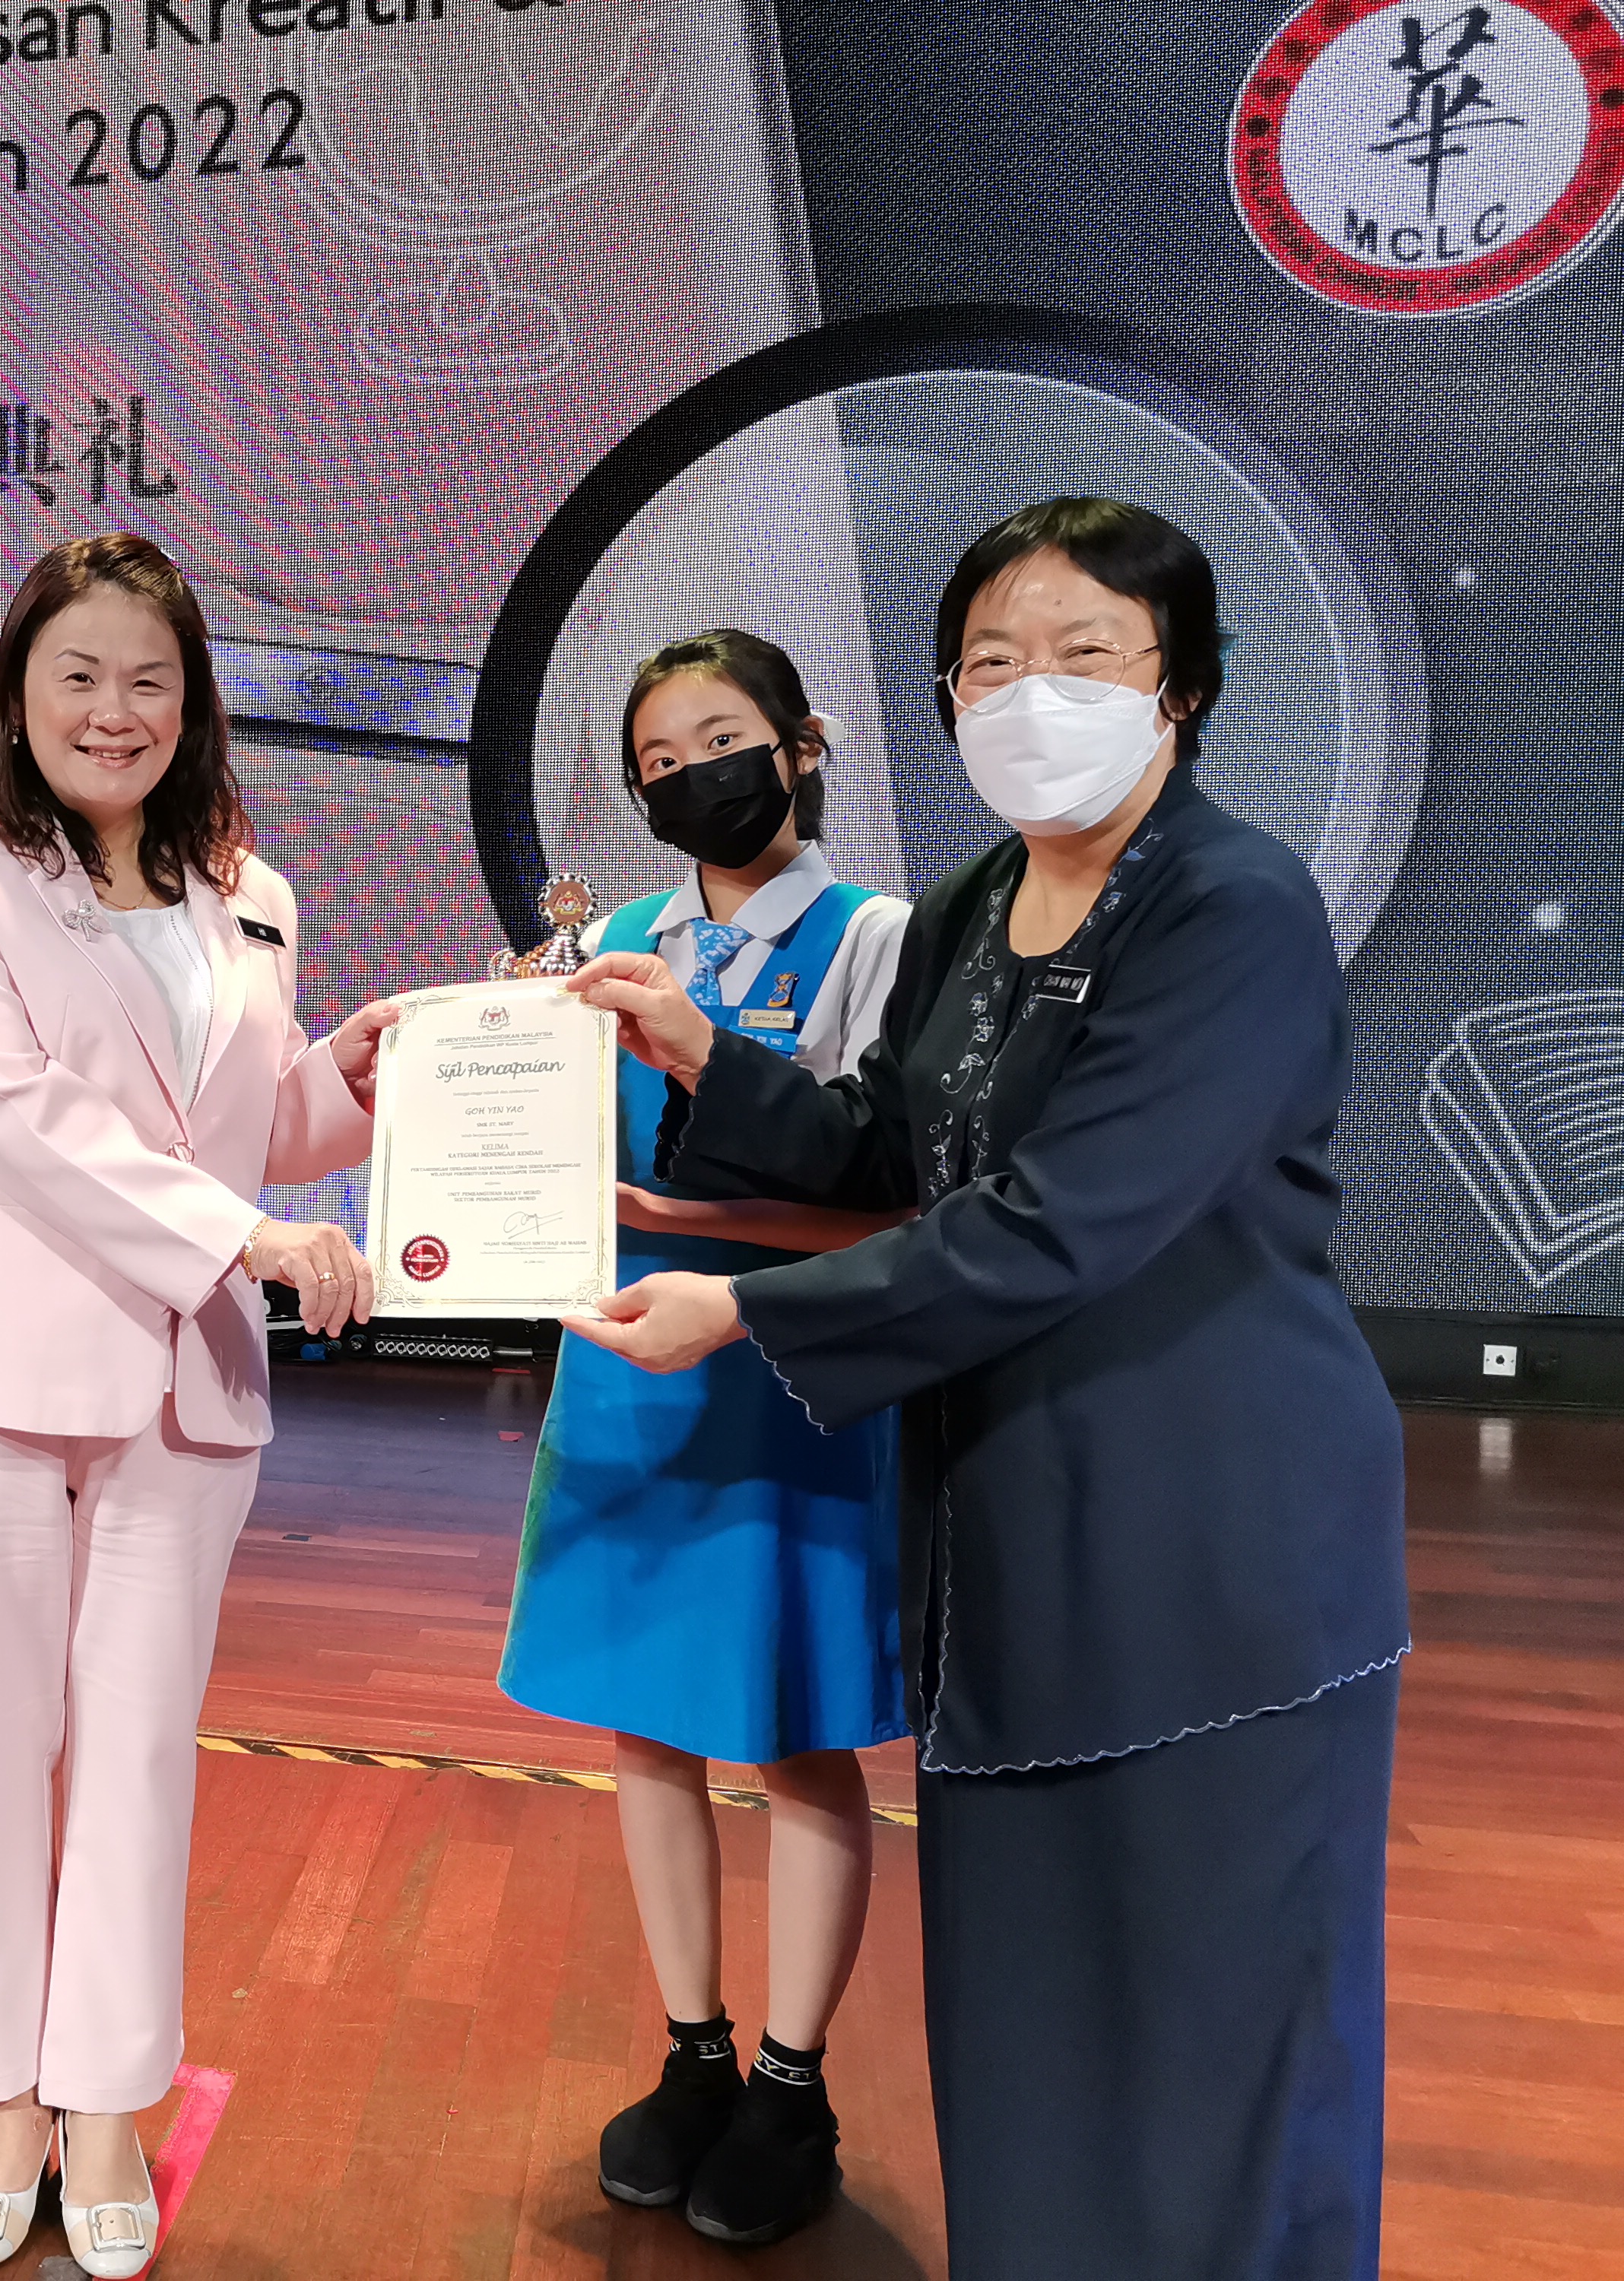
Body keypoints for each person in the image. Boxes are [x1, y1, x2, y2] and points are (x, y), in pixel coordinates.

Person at [569, 498, 1409, 2279]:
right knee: (1032, 2009)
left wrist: (743, 1313)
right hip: (1012, 1518)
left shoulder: (1230, 906)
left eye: (1081, 653)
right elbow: (889, 1143)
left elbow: (1055, 1223)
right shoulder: (969, 902)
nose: (1030, 694)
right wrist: (700, 1050)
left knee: (1212, 2008)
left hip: (1211, 1539)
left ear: (1179, 684)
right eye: (988, 661)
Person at [0, 533, 398, 2276]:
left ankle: (101, 2101)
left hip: (182, 1388)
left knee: (141, 1752)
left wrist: (356, 1079)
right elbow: (13, 1113)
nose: (114, 710)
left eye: (149, 680)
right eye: (78, 675)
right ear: (18, 692)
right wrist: (244, 1236)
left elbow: (247, 1124)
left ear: (193, 702)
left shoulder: (250, 889)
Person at [499, 630, 910, 2246]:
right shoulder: (609, 941)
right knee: (646, 1727)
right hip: (625, 1374)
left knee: (797, 1735)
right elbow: (543, 1146)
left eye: (721, 742)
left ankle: (792, 2086)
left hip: (787, 1368)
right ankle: (693, 2051)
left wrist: (689, 1218)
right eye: (658, 764)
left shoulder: (877, 935)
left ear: (801, 746)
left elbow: (889, 1193)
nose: (692, 778)